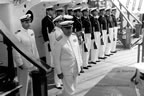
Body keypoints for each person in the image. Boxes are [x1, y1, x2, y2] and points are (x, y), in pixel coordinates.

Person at [52, 15, 82, 96]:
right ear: (62, 29)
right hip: (66, 70)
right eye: (67, 28)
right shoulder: (59, 40)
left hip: (75, 67)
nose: (69, 30)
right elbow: (56, 58)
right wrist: (58, 71)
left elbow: (78, 52)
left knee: (73, 87)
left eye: (70, 28)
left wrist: (80, 64)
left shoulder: (74, 37)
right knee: (70, 91)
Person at [13, 14, 39, 96]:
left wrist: (37, 59)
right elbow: (16, 50)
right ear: (22, 23)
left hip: (33, 62)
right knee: (24, 83)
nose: (29, 24)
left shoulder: (31, 32)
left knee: (32, 83)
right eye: (26, 22)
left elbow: (34, 46)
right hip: (24, 63)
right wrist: (19, 63)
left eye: (29, 22)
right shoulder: (18, 34)